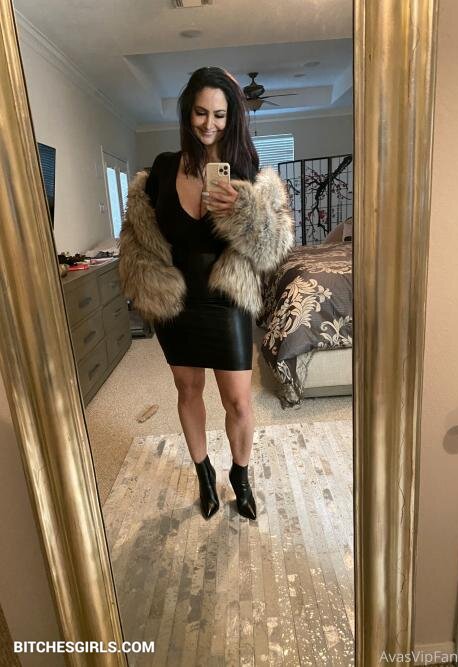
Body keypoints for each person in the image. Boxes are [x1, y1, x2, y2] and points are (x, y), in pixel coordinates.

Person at [118, 66, 294, 521]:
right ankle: (202, 472)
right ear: (187, 114)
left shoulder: (248, 171)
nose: (209, 123)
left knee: (238, 400)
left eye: (219, 114)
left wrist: (244, 210)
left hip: (227, 301)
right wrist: (145, 285)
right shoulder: (161, 169)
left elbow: (273, 247)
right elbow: (139, 238)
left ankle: (240, 474)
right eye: (200, 112)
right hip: (176, 302)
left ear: (231, 117)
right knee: (187, 389)